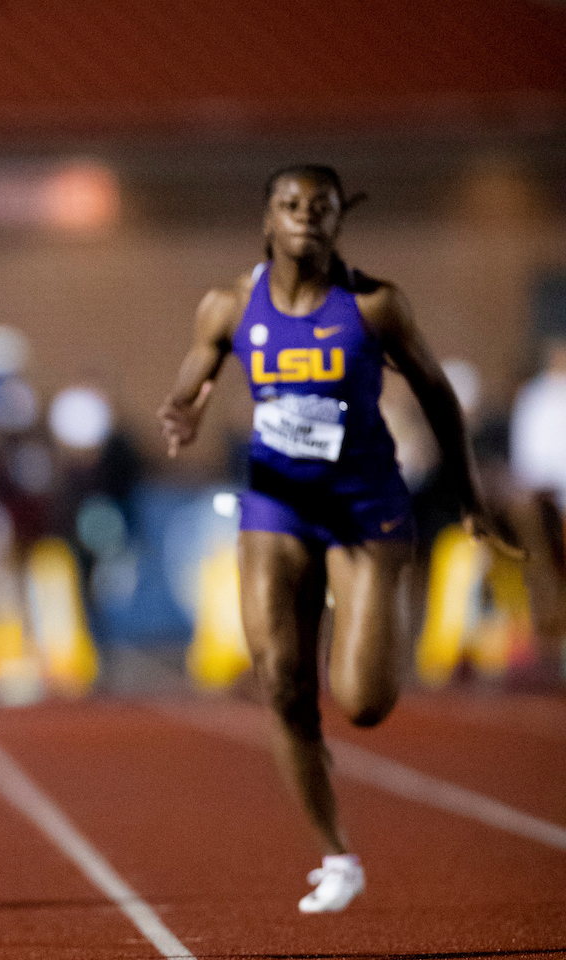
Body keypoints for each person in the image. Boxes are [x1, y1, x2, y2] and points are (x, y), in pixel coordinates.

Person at [157, 166, 515, 914]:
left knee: (364, 700)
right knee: (283, 681)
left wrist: (470, 498)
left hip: (365, 506)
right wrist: (184, 408)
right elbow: (197, 366)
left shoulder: (375, 305)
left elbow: (439, 395)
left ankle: (355, 629)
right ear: (268, 219)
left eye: (320, 209)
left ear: (336, 222)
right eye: (291, 206)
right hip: (278, 505)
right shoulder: (230, 304)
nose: (305, 219)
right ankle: (336, 854)